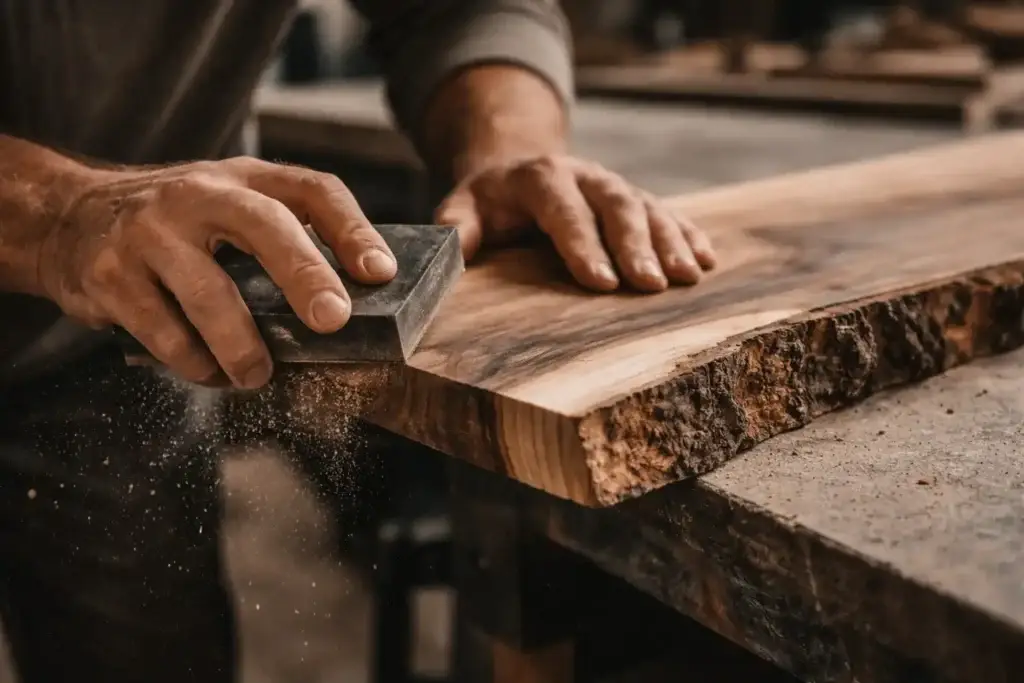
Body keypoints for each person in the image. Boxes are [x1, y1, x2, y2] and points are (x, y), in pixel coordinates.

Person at [0, 2, 716, 681]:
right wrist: (55, 215)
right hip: (97, 259)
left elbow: (455, 10)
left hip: (122, 319)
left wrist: (509, 147)